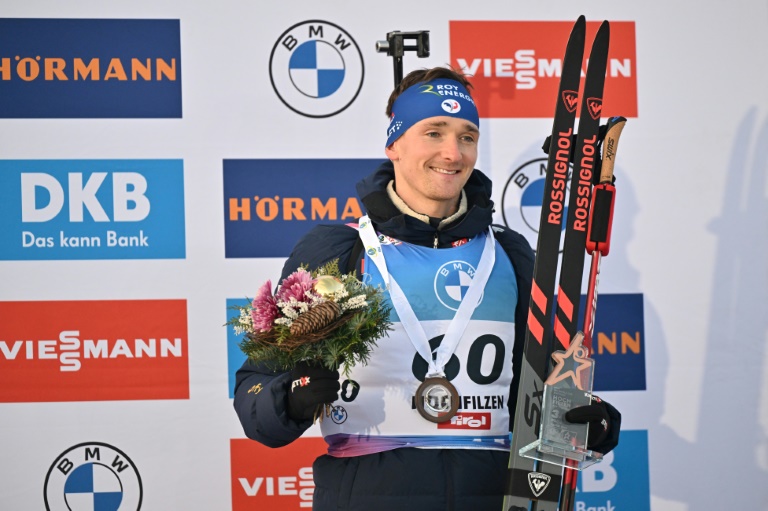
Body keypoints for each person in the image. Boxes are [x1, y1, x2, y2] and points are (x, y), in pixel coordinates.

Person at [233, 66, 621, 511]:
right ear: (394, 145)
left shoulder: (509, 255)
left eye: (467, 136)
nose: (452, 153)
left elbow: (544, 393)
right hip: (368, 496)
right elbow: (255, 393)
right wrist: (291, 396)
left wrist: (590, 424)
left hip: (492, 495)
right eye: (434, 133)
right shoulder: (342, 251)